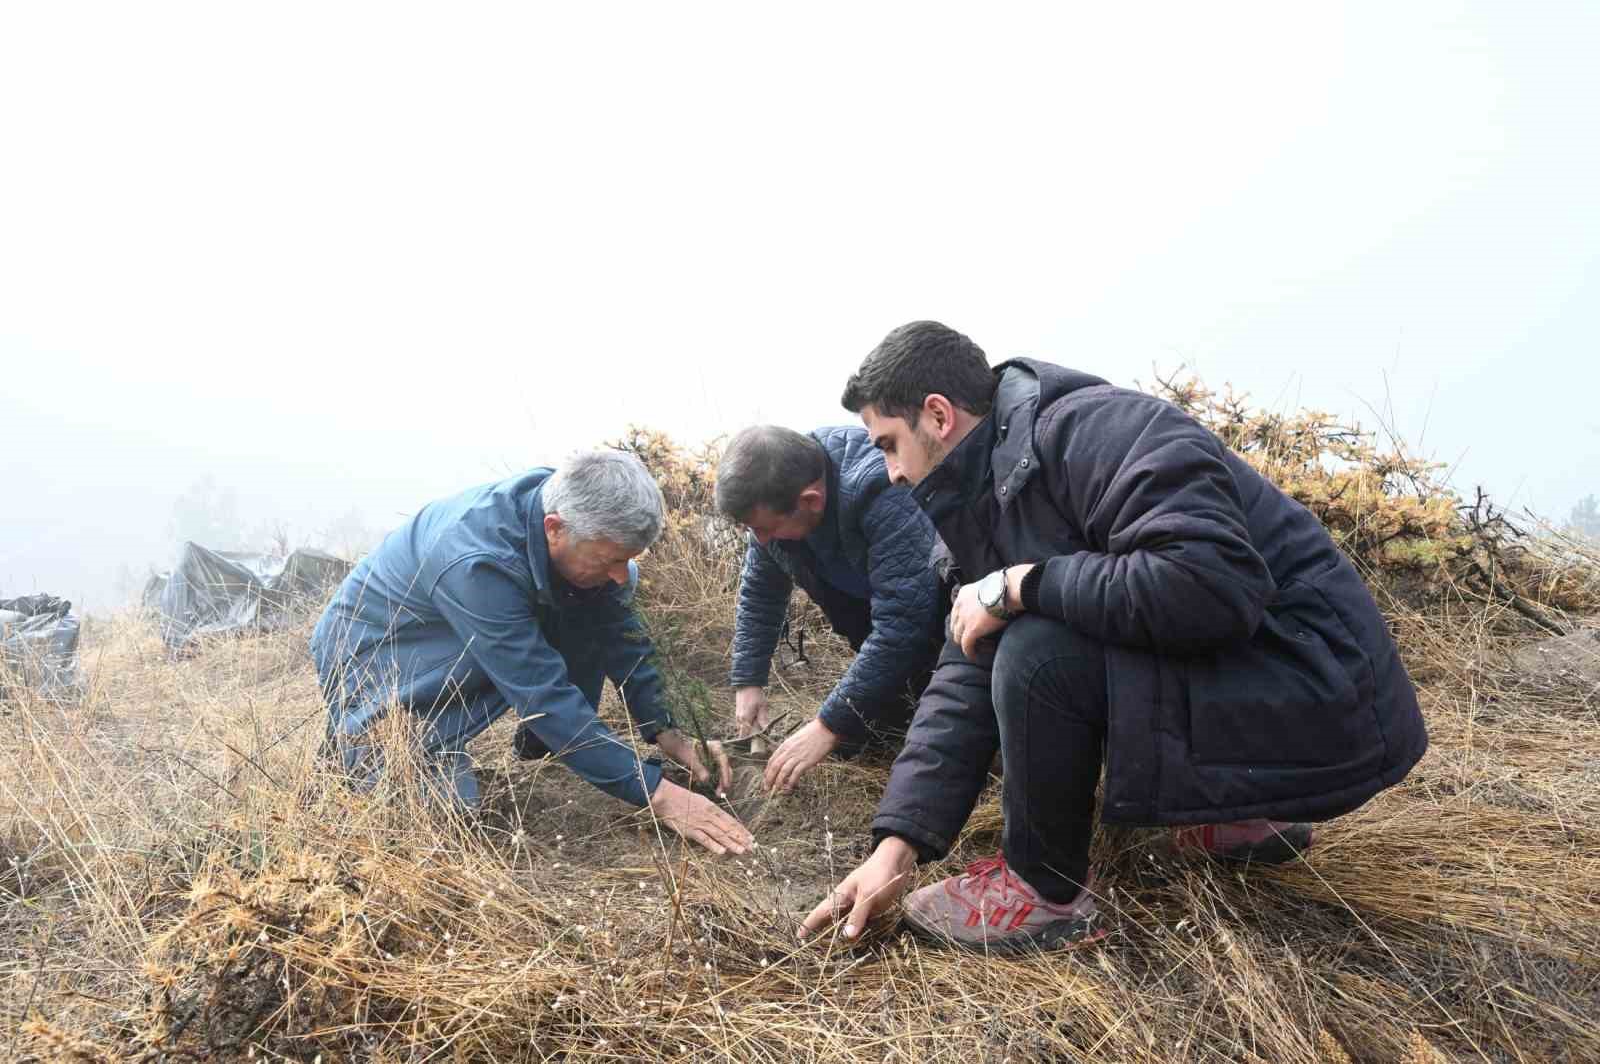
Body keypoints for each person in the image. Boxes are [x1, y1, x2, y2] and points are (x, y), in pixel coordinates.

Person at [800, 321, 1426, 951]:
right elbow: (965, 663)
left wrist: (1024, 585)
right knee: (1015, 635)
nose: (889, 473)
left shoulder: (1095, 430)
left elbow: (1210, 586)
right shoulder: (978, 497)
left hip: (1324, 688)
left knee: (1037, 651)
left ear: (936, 415)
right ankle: (1231, 816)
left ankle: (1044, 891)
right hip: (1267, 681)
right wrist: (897, 845)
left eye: (887, 444)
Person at [311, 450, 752, 857]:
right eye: (608, 560)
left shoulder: (576, 524)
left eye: (628, 559)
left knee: (598, 598)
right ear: (554, 529)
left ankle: (550, 747)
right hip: (379, 648)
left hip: (468, 627)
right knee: (435, 823)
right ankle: (362, 751)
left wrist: (667, 729)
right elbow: (543, 694)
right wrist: (658, 794)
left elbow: (624, 638)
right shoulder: (477, 562)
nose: (620, 575)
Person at [715, 425, 945, 792]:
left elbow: (905, 622)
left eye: (764, 528)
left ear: (811, 501)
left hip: (944, 620)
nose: (758, 539)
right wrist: (749, 680)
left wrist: (828, 725)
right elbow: (760, 594)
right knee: (873, 736)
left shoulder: (881, 492)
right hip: (870, 614)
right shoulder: (775, 502)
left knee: (938, 739)